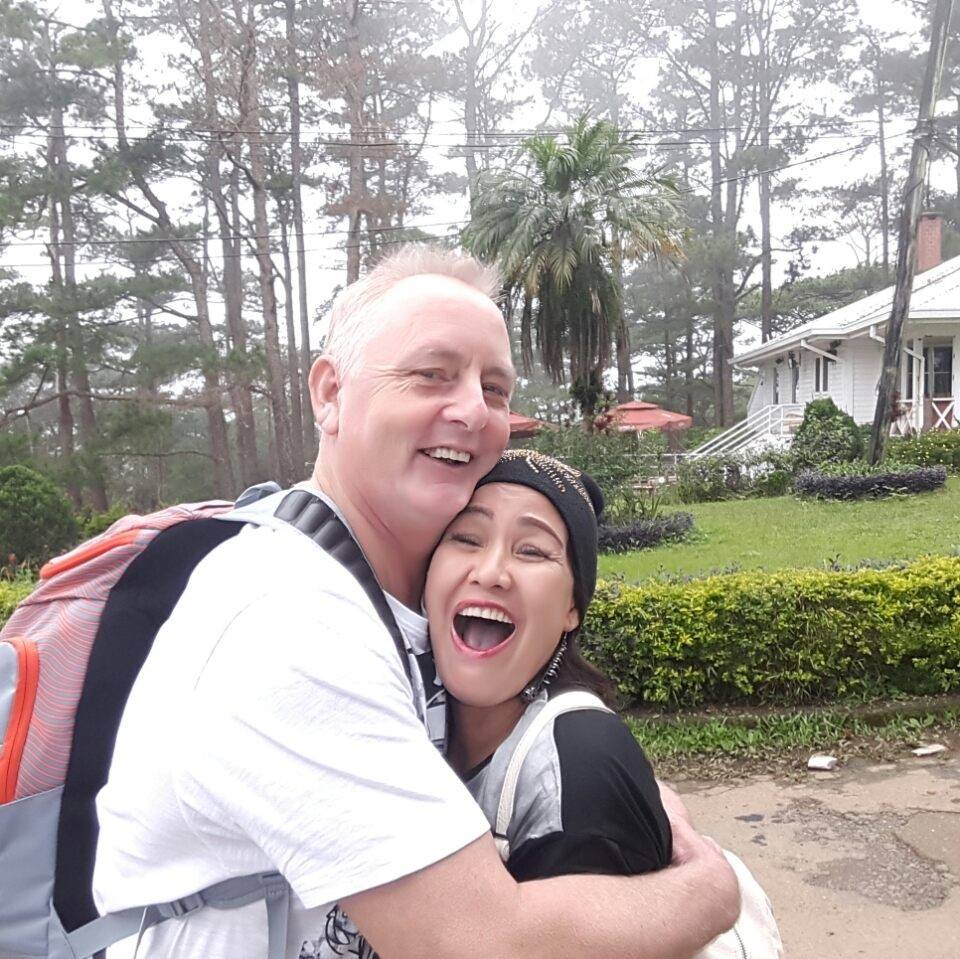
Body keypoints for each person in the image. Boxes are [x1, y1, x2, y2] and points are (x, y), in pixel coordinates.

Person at [93, 246, 739, 959]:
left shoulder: (396, 598)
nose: (472, 410)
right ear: (330, 393)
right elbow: (483, 945)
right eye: (431, 374)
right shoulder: (290, 618)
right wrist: (713, 888)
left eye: (495, 388)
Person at [425, 449, 673, 881]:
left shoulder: (582, 772)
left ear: (572, 608)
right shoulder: (396, 712)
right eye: (466, 538)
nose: (490, 572)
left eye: (533, 551)